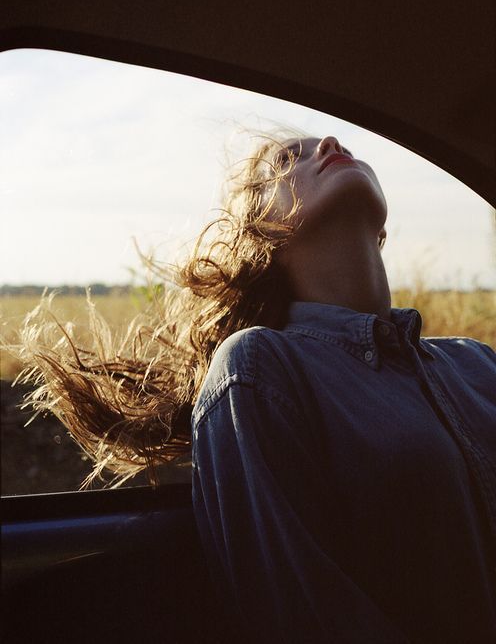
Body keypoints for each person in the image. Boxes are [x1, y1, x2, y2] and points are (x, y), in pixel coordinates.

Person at [14, 132, 496, 642]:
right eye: (286, 159)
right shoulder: (258, 370)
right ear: (260, 230)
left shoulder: (476, 360)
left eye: (323, 145)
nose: (328, 142)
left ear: (382, 231)